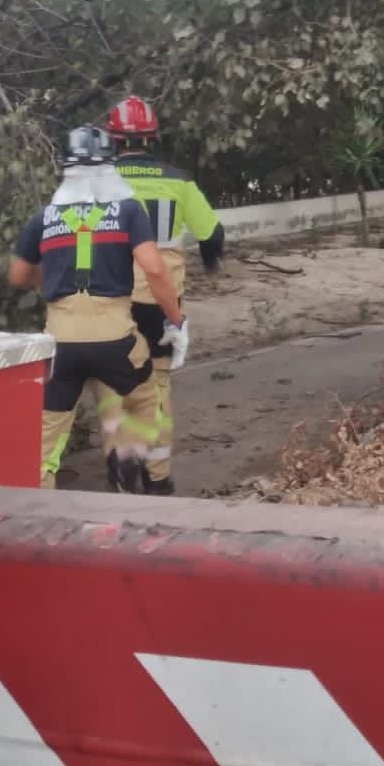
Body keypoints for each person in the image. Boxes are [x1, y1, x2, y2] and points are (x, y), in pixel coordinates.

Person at [8, 125, 189, 493]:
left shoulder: (44, 217)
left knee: (45, 444)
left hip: (59, 347)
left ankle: (40, 513)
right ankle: (128, 457)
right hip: (116, 341)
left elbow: (18, 275)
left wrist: (54, 280)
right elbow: (154, 269)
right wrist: (176, 320)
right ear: (110, 168)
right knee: (146, 401)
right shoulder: (127, 212)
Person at [102, 94, 226, 495]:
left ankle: (121, 470)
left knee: (114, 385)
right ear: (152, 138)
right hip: (160, 301)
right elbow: (212, 235)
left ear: (114, 139)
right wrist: (209, 263)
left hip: (110, 301)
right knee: (157, 387)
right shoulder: (178, 181)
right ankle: (158, 478)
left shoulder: (98, 182)